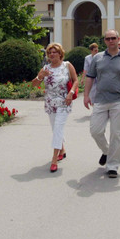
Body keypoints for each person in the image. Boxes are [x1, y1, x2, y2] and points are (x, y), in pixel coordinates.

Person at [84, 29, 120, 179]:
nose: (111, 41)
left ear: (118, 39)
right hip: (100, 100)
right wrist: (86, 95)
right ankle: (108, 151)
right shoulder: (98, 58)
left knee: (118, 134)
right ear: (105, 41)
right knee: (95, 130)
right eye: (108, 39)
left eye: (113, 38)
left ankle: (113, 166)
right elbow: (90, 77)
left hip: (119, 101)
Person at [32, 43, 78, 173]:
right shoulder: (45, 68)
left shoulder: (67, 66)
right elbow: (34, 84)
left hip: (64, 101)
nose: (52, 54)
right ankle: (62, 150)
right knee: (55, 128)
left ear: (60, 54)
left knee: (58, 127)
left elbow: (75, 80)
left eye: (55, 52)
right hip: (50, 102)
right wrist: (40, 76)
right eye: (50, 52)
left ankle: (54, 159)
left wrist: (71, 92)